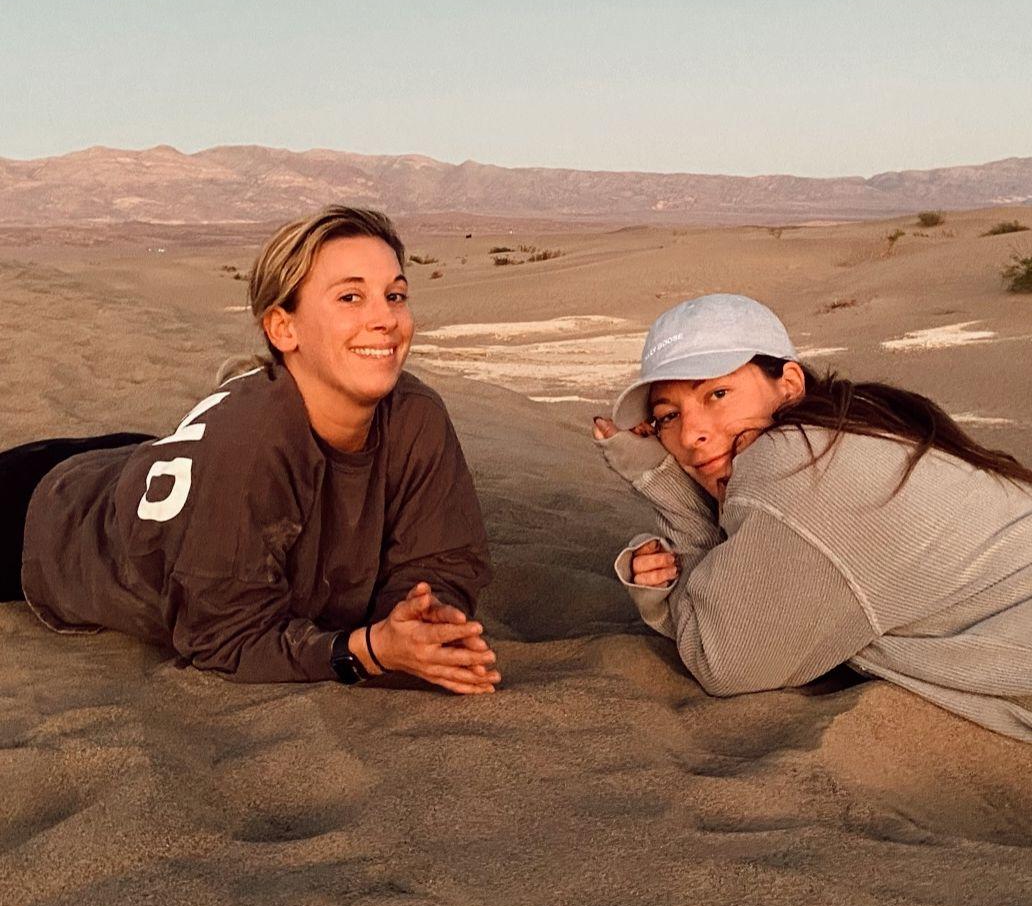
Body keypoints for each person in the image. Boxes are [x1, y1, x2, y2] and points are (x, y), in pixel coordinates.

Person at [4, 206, 500, 694]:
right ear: (283, 328)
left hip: (144, 460)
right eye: (351, 297)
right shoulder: (250, 443)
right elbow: (223, 635)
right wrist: (368, 651)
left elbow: (444, 559)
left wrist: (421, 621)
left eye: (395, 295)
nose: (385, 318)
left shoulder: (416, 415)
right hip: (48, 515)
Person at [593, 293, 1032, 741]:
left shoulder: (795, 466)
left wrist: (667, 488)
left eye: (718, 394)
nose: (691, 434)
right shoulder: (843, 429)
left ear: (789, 384)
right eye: (668, 416)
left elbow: (722, 660)